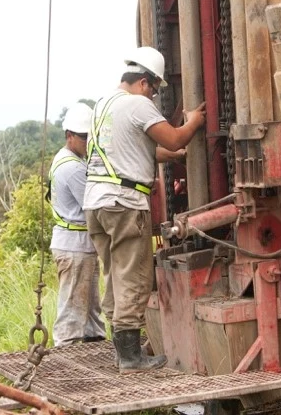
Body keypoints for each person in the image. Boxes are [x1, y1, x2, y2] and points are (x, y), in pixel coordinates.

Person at [83, 46, 206, 373]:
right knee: (134, 276)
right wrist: (193, 121)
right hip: (124, 204)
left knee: (114, 274)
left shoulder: (102, 105)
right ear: (144, 81)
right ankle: (131, 357)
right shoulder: (138, 105)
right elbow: (176, 138)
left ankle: (120, 348)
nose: (153, 96)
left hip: (95, 204)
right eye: (154, 89)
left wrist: (174, 157)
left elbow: (137, 151)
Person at [49, 102, 105, 346]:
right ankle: (65, 360)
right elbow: (94, 203)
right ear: (69, 136)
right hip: (75, 247)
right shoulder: (71, 167)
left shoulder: (71, 159)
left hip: (82, 245)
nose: (87, 142)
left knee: (91, 310)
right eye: (83, 137)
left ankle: (95, 346)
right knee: (73, 311)